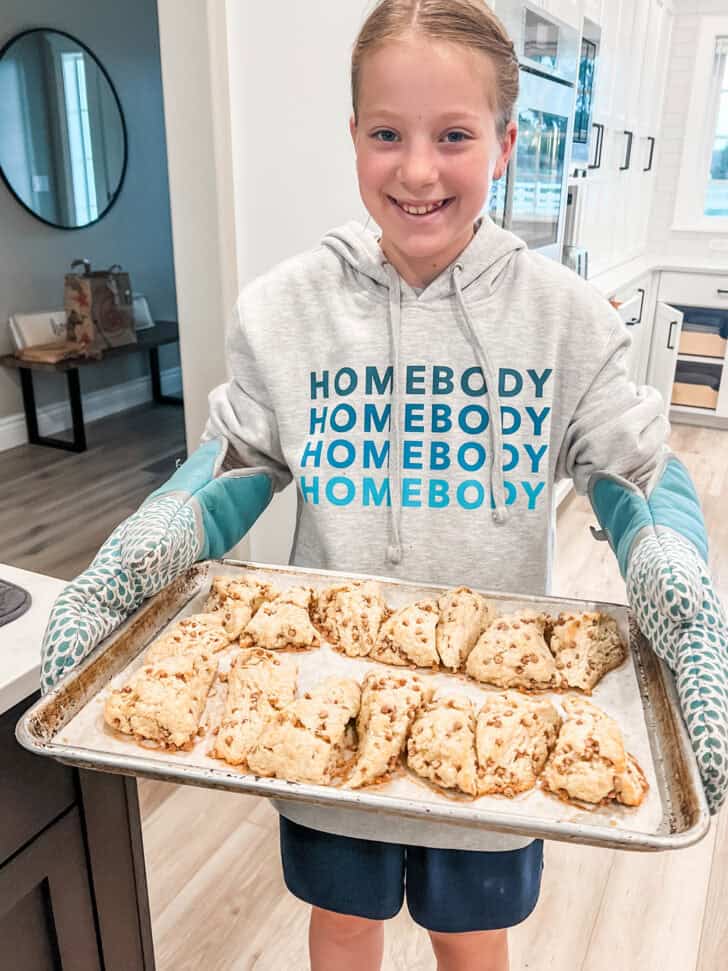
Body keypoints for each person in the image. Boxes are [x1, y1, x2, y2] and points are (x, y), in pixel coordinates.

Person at [40, 2, 727, 969]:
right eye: (386, 134)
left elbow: (631, 465)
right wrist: (156, 537)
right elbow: (239, 458)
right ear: (353, 137)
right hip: (328, 695)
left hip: (491, 710)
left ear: (504, 143)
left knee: (470, 930)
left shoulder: (565, 319)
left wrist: (669, 563)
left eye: (454, 135)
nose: (416, 169)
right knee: (344, 917)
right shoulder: (285, 310)